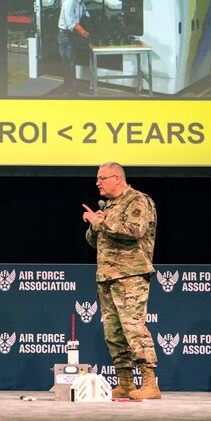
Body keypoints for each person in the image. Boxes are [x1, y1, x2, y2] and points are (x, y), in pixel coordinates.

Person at [82, 162, 160, 399]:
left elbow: (133, 231)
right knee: (113, 333)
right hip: (107, 276)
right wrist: (95, 225)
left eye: (102, 178)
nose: (98, 183)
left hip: (130, 274)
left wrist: (100, 222)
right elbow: (94, 242)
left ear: (117, 178)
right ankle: (125, 382)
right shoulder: (110, 206)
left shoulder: (137, 200)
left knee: (133, 328)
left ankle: (149, 383)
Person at [57, 0, 90, 98]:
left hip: (72, 36)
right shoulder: (70, 3)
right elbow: (72, 23)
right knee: (68, 64)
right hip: (65, 36)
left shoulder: (81, 4)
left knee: (72, 62)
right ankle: (69, 92)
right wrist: (85, 33)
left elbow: (86, 16)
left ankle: (72, 88)